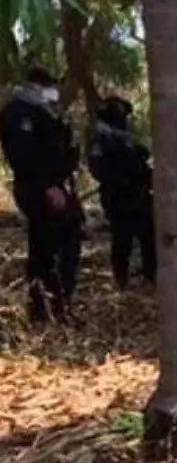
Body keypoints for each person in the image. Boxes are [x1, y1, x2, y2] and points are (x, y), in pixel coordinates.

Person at [0, 66, 83, 324]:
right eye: (50, 85)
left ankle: (52, 309)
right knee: (51, 249)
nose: (54, 91)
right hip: (40, 189)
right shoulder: (19, 113)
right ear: (37, 86)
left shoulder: (42, 112)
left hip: (54, 185)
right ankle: (48, 309)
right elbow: (23, 156)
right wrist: (47, 186)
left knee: (54, 245)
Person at [87, 95, 156, 291]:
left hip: (140, 195)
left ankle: (150, 277)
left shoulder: (124, 139)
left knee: (149, 237)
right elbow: (99, 169)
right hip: (119, 198)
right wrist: (123, 182)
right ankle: (121, 281)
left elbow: (139, 164)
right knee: (122, 241)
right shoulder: (102, 140)